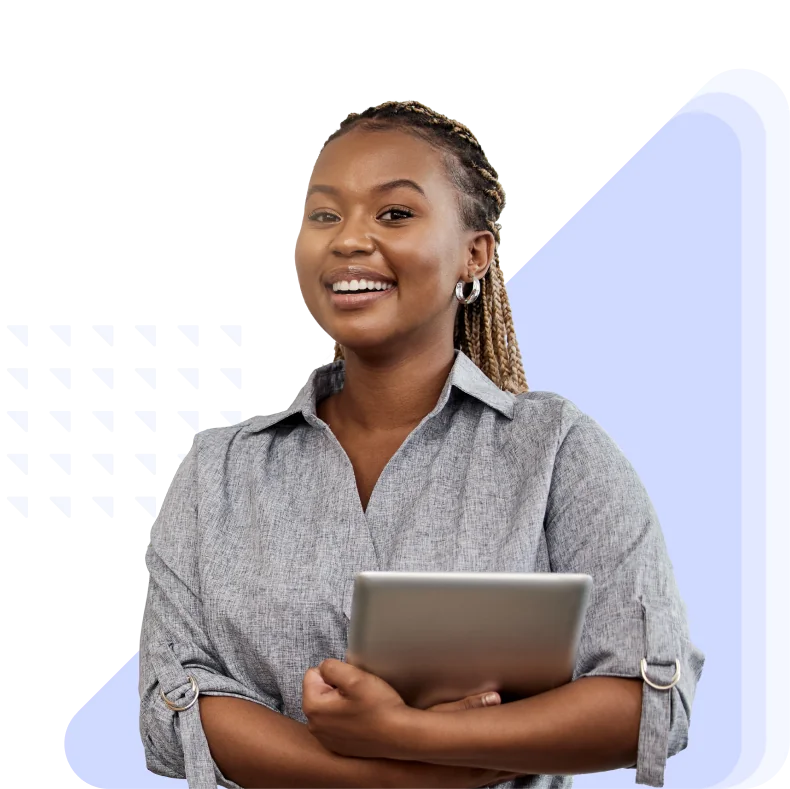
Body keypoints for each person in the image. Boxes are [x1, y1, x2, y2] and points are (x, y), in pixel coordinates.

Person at [139, 99, 705, 789]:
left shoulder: (558, 452)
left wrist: (403, 732)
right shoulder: (215, 470)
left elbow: (650, 700)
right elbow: (175, 706)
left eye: (395, 213)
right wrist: (414, 775)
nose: (348, 239)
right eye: (325, 214)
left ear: (476, 251)